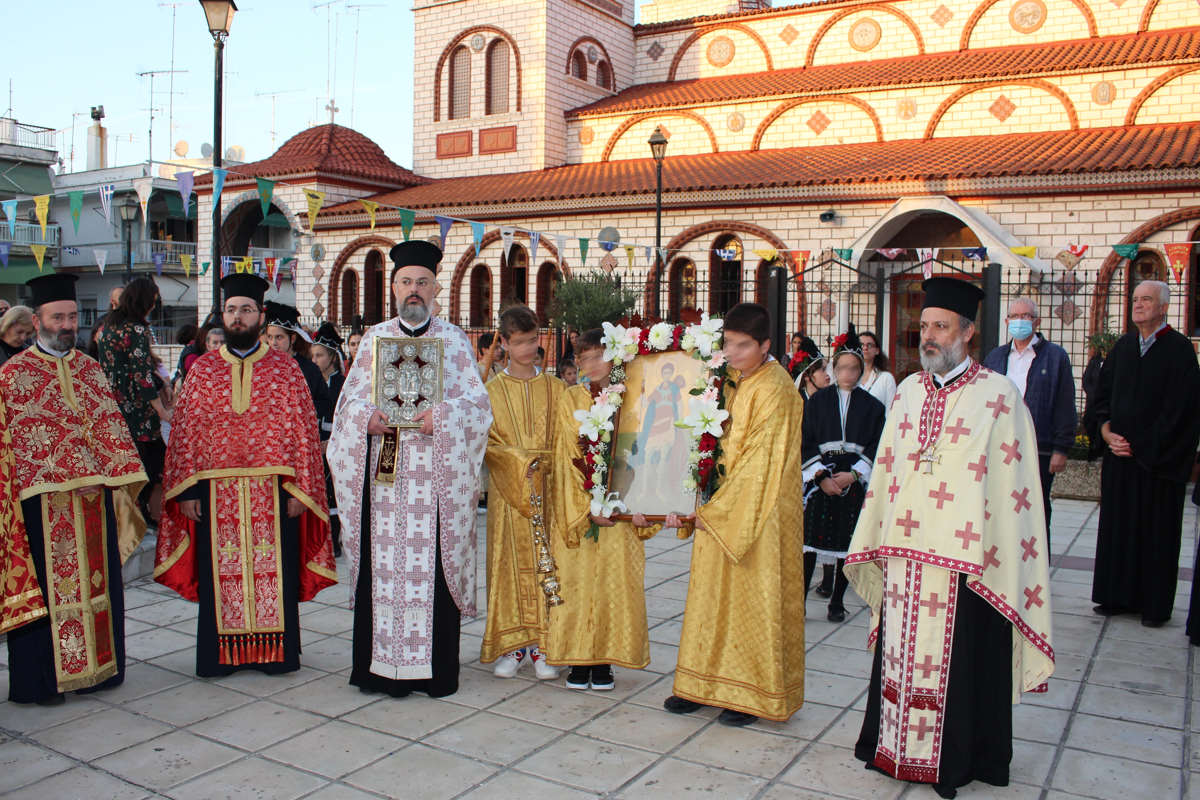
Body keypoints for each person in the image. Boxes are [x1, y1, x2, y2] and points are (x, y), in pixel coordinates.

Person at [846, 277, 1054, 798]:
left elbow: (1016, 491)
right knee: (898, 655)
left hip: (966, 563)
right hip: (905, 557)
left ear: (968, 332)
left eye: (941, 327)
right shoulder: (910, 391)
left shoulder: (999, 397)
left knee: (959, 664)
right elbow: (890, 473)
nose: (930, 336)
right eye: (925, 327)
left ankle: (952, 762)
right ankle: (889, 749)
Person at [328, 240, 491, 698]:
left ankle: (435, 673)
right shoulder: (376, 340)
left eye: (422, 282)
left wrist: (442, 417)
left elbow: (479, 410)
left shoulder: (454, 341)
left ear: (436, 288)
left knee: (431, 571)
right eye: (405, 282)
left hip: (435, 483)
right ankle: (380, 671)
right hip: (384, 480)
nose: (413, 290)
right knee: (384, 572)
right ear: (393, 289)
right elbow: (347, 408)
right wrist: (367, 418)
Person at [154, 273, 336, 676]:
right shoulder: (202, 371)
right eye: (232, 310)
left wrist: (299, 491)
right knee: (220, 575)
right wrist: (187, 491)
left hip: (273, 492)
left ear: (261, 315)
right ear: (224, 315)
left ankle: (276, 654)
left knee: (277, 573)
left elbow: (304, 436)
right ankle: (220, 656)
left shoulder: (286, 371)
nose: (238, 317)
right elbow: (185, 435)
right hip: (214, 492)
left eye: (247, 310)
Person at [1, 273, 148, 704]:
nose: (67, 325)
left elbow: (109, 429)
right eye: (57, 317)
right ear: (37, 319)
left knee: (97, 587)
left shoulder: (90, 369)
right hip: (39, 506)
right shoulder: (12, 375)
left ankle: (98, 671)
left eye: (71, 317)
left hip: (91, 501)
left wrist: (117, 478)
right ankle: (43, 681)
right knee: (47, 595)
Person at [663, 302, 807, 726]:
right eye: (728, 344)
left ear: (765, 345)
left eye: (745, 346)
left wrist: (717, 510)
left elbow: (761, 463)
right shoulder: (728, 381)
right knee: (710, 599)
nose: (735, 353)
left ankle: (748, 694)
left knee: (750, 601)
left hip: (758, 517)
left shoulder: (776, 389)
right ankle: (700, 684)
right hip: (721, 508)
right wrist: (689, 495)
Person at [547, 327, 657, 690]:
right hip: (584, 510)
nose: (591, 364)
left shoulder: (632, 398)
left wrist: (641, 504)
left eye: (599, 356)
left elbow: (642, 452)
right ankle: (579, 659)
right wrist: (585, 507)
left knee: (613, 584)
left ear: (615, 358)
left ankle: (605, 660)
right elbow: (567, 455)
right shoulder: (571, 399)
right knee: (577, 584)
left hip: (620, 513)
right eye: (584, 358)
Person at [1091, 280, 1200, 627]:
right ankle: (1115, 597)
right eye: (1135, 299)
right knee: (1118, 531)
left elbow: (1182, 411)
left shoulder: (1180, 350)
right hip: (1119, 460)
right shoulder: (1122, 347)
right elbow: (1101, 397)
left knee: (1156, 536)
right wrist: (1107, 433)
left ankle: (1153, 607)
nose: (1138, 305)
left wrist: (1141, 445)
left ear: (1163, 307)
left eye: (1146, 300)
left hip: (1157, 464)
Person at [481, 305, 565, 680]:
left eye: (533, 340)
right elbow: (488, 444)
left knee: (550, 563)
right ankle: (514, 645)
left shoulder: (557, 388)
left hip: (549, 491)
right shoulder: (490, 391)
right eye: (520, 342)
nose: (529, 348)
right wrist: (518, 463)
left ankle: (545, 645)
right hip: (509, 494)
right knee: (508, 565)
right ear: (504, 343)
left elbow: (568, 438)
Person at [801, 326, 885, 622]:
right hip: (821, 481)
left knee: (846, 545)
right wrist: (821, 476)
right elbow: (806, 440)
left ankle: (837, 601)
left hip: (852, 481)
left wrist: (855, 474)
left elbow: (878, 443)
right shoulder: (817, 403)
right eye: (842, 368)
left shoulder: (873, 407)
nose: (848, 373)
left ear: (861, 371)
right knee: (810, 542)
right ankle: (800, 600)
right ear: (834, 369)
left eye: (854, 368)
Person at [982, 298, 1077, 536]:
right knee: (1001, 507)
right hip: (1001, 447)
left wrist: (1061, 448)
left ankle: (1036, 568)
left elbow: (1065, 403)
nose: (1019, 321)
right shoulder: (995, 357)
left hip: (1039, 448)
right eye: (1014, 317)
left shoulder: (1055, 357)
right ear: (1006, 321)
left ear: (1037, 321)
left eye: (1026, 316)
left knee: (1036, 510)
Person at [98, 277, 173, 523]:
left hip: (114, 406)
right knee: (153, 467)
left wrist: (160, 383)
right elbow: (140, 375)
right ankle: (143, 518)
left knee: (129, 467)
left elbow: (125, 366)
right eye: (153, 301)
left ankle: (134, 518)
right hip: (138, 412)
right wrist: (162, 410)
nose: (154, 305)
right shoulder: (136, 329)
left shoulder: (109, 325)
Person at [791, 336, 834, 597]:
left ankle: (830, 582)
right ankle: (800, 594)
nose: (828, 375)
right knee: (803, 540)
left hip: (826, 473)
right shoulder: (797, 404)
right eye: (822, 370)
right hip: (801, 475)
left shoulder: (832, 402)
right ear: (808, 376)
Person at [264, 301, 334, 444]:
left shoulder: (308, 369)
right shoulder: (263, 367)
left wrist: (299, 409)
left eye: (279, 337)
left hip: (299, 439)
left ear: (293, 338)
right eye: (270, 337)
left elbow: (324, 403)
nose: (274, 343)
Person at [312, 321, 347, 557]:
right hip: (314, 444)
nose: (315, 360)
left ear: (332, 357)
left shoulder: (343, 385)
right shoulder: (310, 382)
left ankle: (335, 539)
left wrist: (332, 441)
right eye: (312, 355)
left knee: (334, 492)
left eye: (320, 355)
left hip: (336, 446)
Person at [858, 330, 897, 410]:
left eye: (869, 345)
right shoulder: (848, 377)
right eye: (861, 345)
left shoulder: (886, 378)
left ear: (877, 351)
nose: (865, 348)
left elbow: (891, 410)